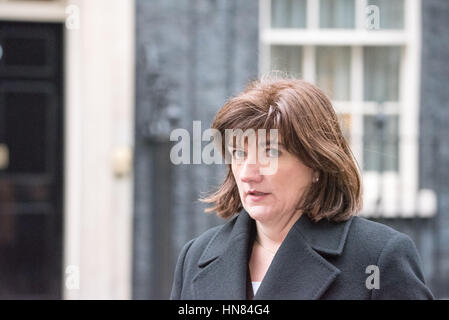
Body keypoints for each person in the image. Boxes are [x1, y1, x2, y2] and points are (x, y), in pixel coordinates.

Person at [170, 76, 435, 300]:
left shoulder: (378, 257)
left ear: (317, 165)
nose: (248, 173)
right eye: (239, 153)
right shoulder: (196, 256)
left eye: (271, 152)